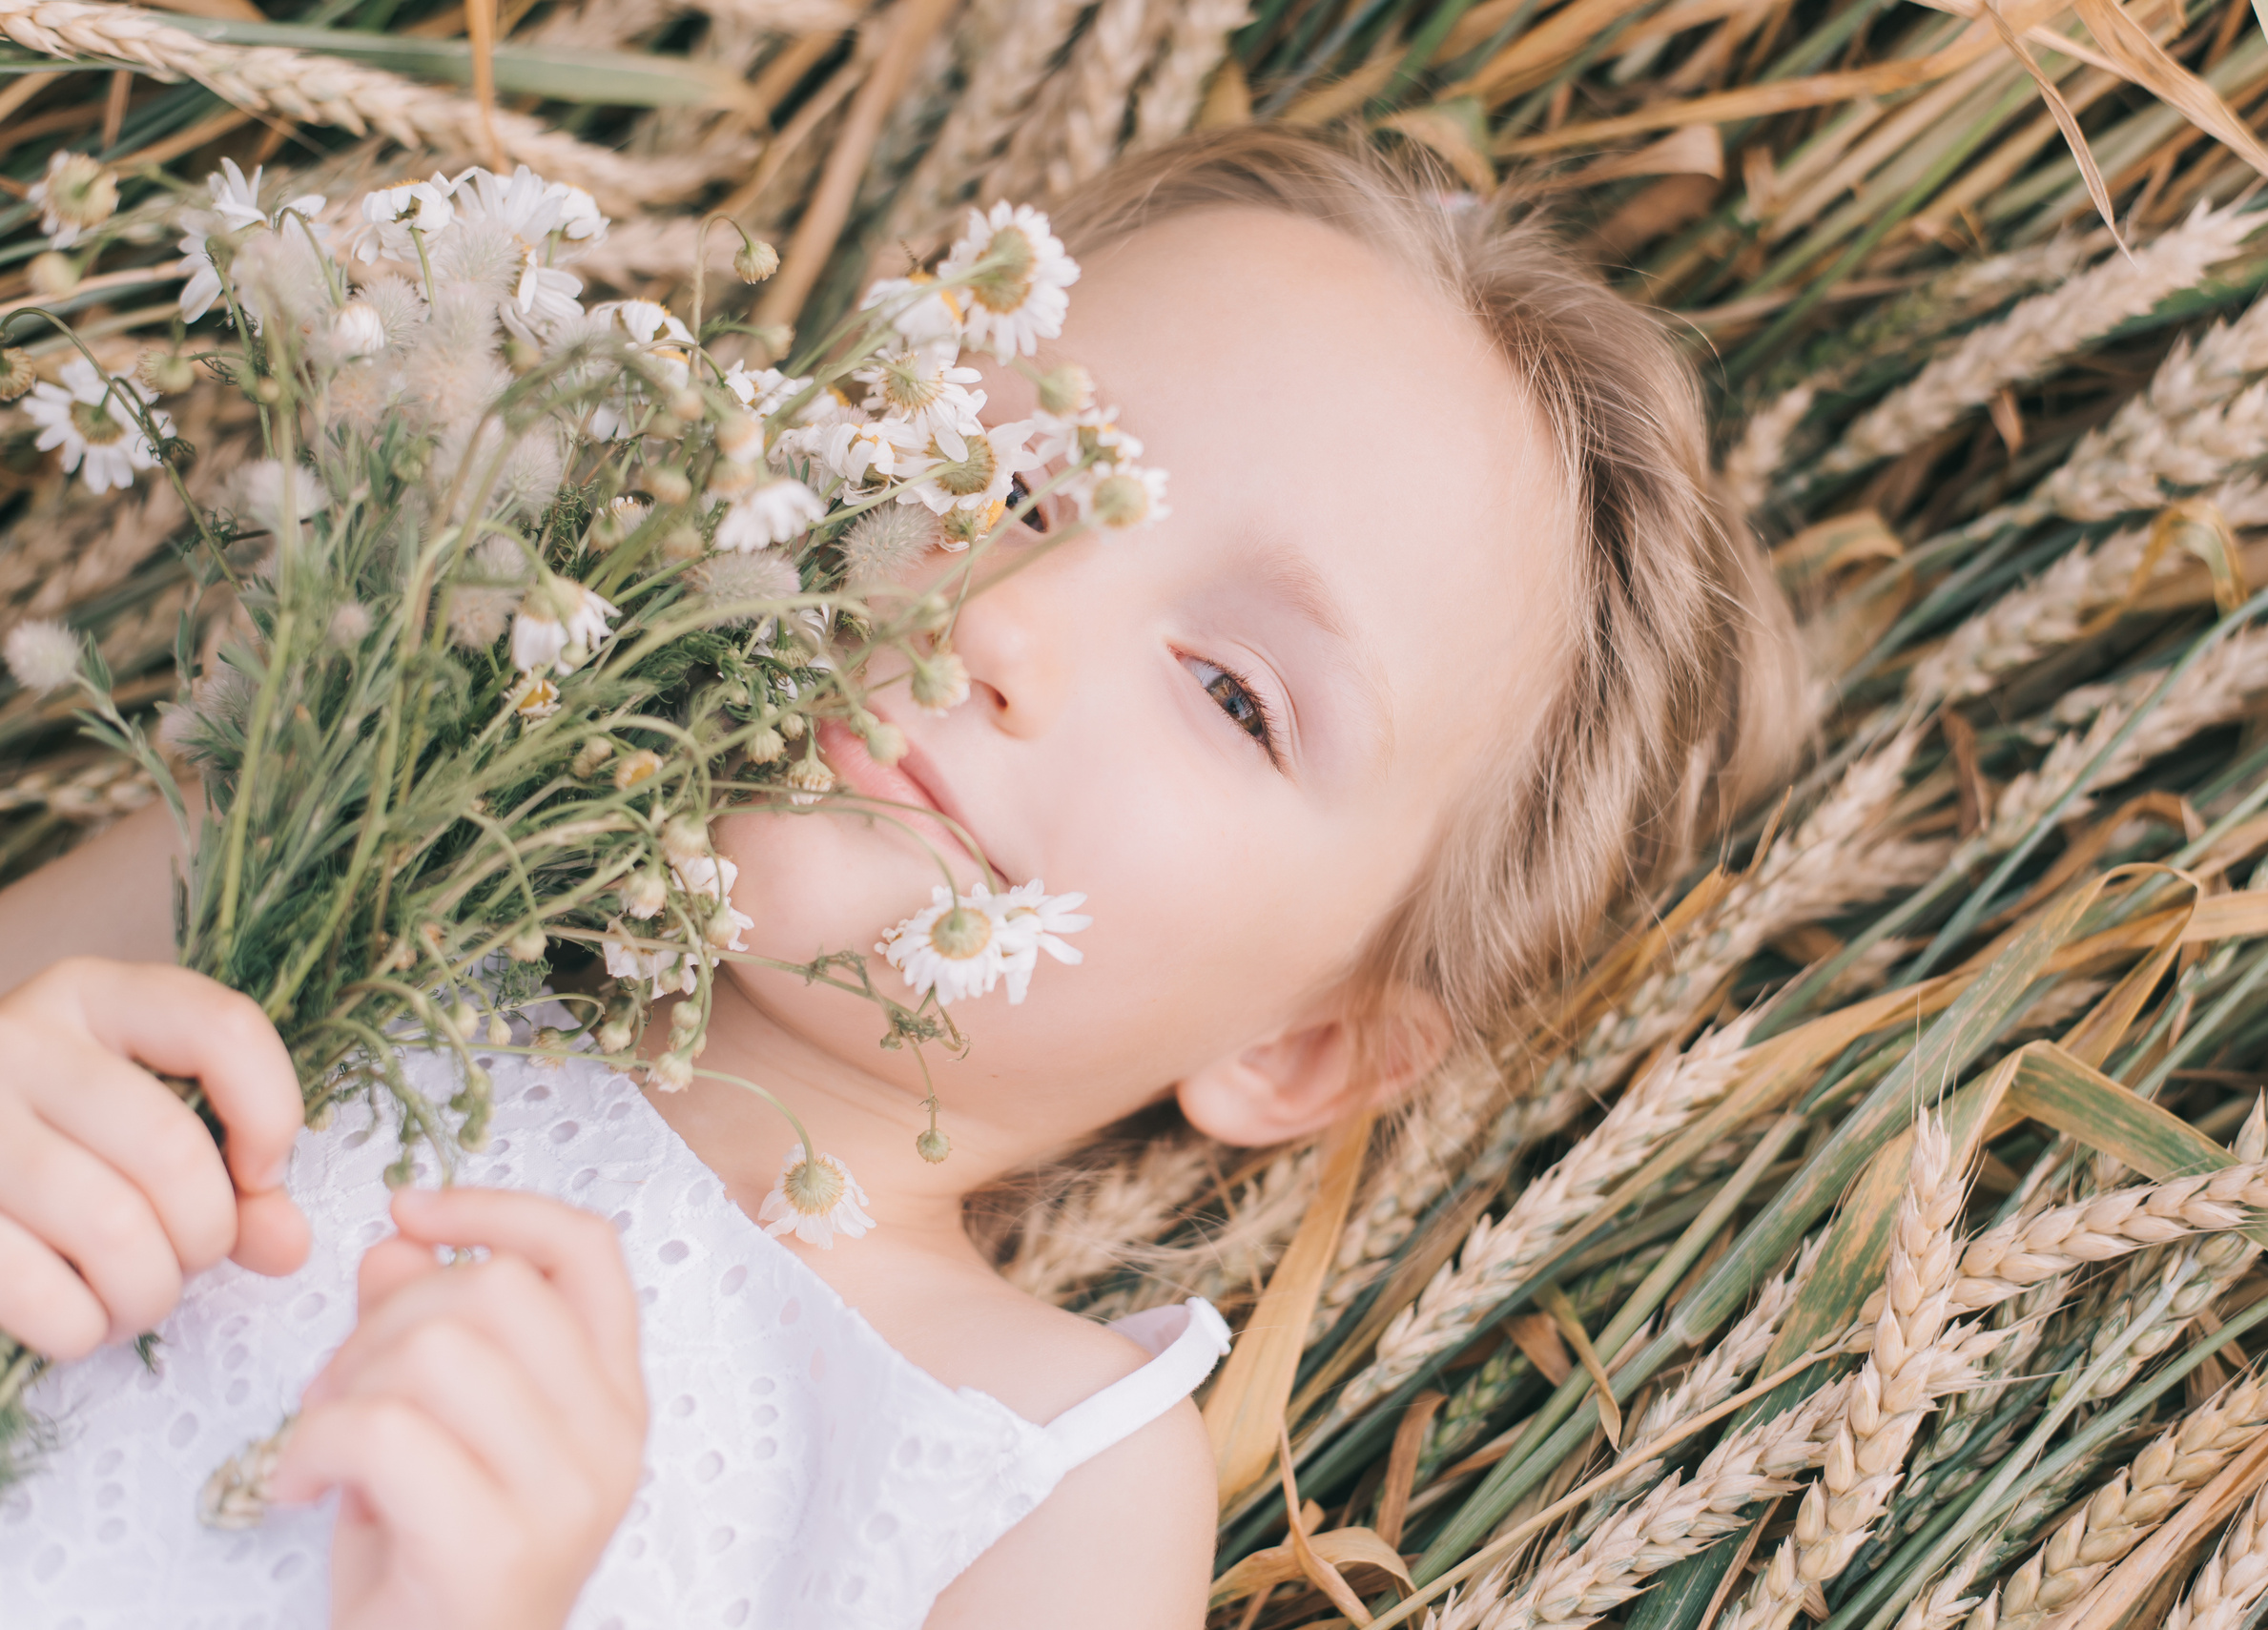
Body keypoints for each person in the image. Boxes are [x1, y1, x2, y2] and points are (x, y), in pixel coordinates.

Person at [0, 126, 1802, 1629]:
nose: (1002, 617)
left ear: (1308, 1046)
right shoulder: (365, 845)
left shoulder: (1038, 1472)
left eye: (1235, 694)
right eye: (1008, 476)